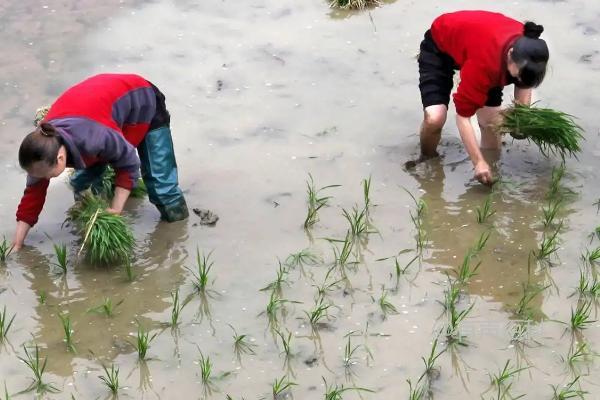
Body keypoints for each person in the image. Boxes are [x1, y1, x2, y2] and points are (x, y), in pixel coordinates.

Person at [12, 73, 189, 250]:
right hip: (102, 111)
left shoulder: (94, 138)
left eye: (48, 176)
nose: (44, 179)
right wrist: (17, 243)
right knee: (81, 181)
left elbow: (129, 163)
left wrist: (116, 210)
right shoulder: (43, 145)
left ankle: (180, 232)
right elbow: (33, 195)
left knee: (162, 187)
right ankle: (92, 210)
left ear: (60, 159)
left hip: (143, 100)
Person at [415, 10, 549, 185]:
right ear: (510, 56)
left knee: (491, 124)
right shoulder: (485, 65)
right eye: (519, 77)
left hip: (478, 46)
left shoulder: (532, 53)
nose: (521, 82)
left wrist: (520, 120)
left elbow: (523, 89)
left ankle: (491, 172)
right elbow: (463, 117)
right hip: (440, 45)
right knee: (435, 117)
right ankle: (427, 158)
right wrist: (477, 162)